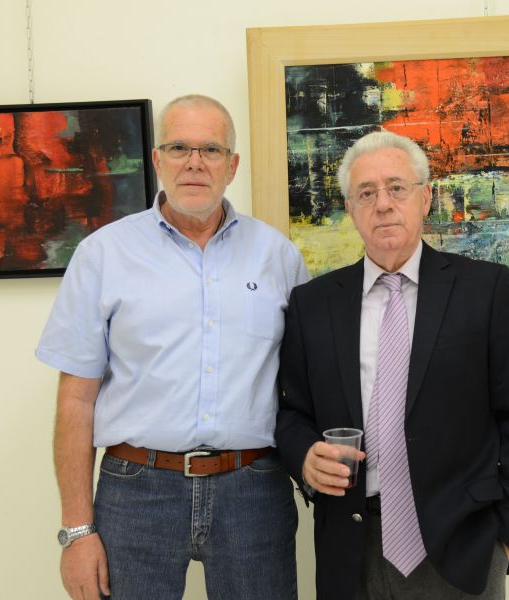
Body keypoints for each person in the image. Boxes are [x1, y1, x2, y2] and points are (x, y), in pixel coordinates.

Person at [37, 94, 308, 600]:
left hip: (253, 490)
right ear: (158, 159)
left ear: (232, 165)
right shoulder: (103, 254)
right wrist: (76, 530)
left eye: (211, 149)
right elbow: (75, 399)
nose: (194, 162)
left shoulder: (278, 257)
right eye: (179, 147)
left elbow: (304, 385)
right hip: (136, 491)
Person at [275, 130, 509, 600]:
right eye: (366, 193)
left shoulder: (484, 290)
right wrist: (303, 455)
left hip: (461, 547)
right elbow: (290, 412)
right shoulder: (312, 304)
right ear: (351, 210)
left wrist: (504, 538)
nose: (383, 204)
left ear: (425, 198)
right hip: (350, 547)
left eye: (396, 188)